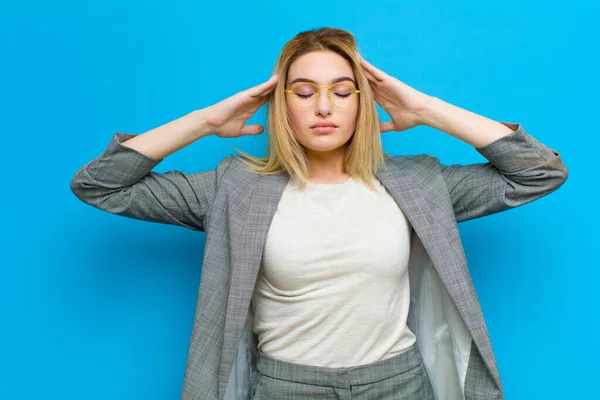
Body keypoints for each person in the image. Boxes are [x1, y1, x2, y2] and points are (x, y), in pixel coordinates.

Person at [70, 27, 568, 400]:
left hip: (397, 384)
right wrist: (205, 121)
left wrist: (427, 109)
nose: (323, 107)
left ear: (363, 103)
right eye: (304, 92)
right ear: (281, 105)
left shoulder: (418, 183)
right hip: (285, 387)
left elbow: (539, 173)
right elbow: (100, 185)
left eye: (343, 91)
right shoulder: (236, 188)